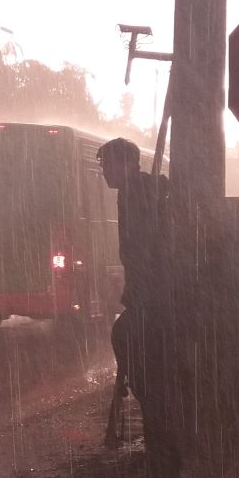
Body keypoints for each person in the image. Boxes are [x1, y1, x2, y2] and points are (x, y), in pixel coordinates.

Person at [97, 138, 163, 444]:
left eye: (107, 165)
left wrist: (144, 289)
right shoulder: (134, 191)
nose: (104, 172)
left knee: (129, 341)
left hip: (153, 292)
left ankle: (159, 439)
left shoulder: (139, 192)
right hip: (146, 291)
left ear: (125, 164)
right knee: (125, 337)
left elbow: (145, 248)